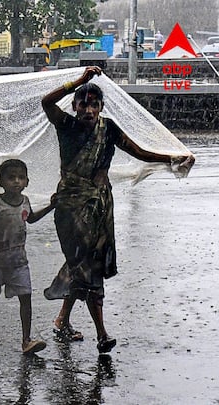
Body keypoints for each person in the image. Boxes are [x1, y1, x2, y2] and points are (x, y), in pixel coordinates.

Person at [41, 66, 195, 353]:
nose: (89, 109)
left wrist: (173, 158)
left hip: (100, 207)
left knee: (86, 266)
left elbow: (140, 152)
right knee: (86, 269)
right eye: (83, 103)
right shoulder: (67, 126)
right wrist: (78, 81)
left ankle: (62, 320)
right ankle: (102, 334)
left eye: (94, 105)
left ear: (101, 108)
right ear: (74, 106)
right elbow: (46, 103)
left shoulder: (108, 129)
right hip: (71, 208)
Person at [0, 159, 56, 354]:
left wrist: (51, 206)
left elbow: (32, 218)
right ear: (1, 181)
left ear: (27, 181)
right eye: (11, 178)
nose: (16, 182)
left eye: (21, 178)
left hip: (19, 261)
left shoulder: (25, 201)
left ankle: (26, 339)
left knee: (25, 298)